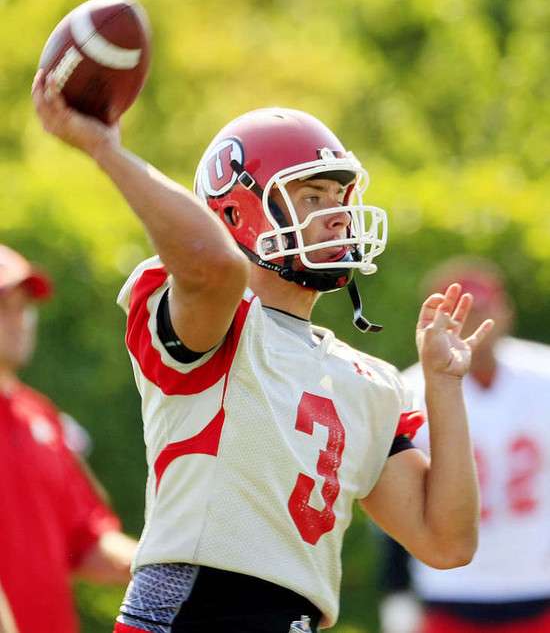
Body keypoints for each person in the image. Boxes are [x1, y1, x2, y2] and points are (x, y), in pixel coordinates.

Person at [32, 69, 495, 633]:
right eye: (310, 195)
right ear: (234, 212)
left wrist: (443, 387)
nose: (337, 214)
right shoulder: (223, 318)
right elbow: (217, 265)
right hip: (190, 611)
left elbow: (448, 543)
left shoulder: (367, 380)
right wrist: (107, 150)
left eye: (339, 197)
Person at [378, 257, 550, 633]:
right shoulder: (408, 392)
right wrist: (396, 590)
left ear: (505, 310)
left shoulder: (543, 375)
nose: (471, 322)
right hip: (450, 586)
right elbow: (400, 497)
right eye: (458, 311)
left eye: (481, 308)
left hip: (538, 582)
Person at [0, 244, 137, 633]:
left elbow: (88, 542)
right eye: (3, 306)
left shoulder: (40, 416)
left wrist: (177, 566)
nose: (19, 320)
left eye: (24, 307)